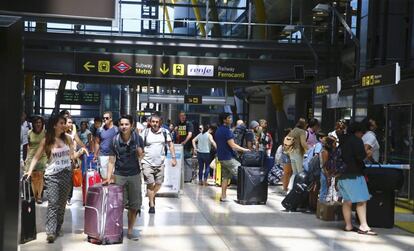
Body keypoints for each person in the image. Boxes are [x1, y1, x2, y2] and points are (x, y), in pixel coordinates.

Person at [25, 115, 88, 243]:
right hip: (52, 175)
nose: (65, 125)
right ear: (54, 125)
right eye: (62, 123)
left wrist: (80, 152)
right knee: (53, 203)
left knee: (62, 204)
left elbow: (72, 156)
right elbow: (36, 157)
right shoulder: (46, 140)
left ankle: (58, 227)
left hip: (66, 174)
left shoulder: (69, 139)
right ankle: (50, 231)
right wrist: (29, 171)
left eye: (65, 123)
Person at [105, 115, 144, 240]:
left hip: (134, 175)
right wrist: (108, 177)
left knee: (134, 205)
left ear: (131, 125)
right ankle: (118, 229)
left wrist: (140, 152)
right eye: (121, 124)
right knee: (118, 205)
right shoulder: (114, 140)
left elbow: (141, 156)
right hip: (119, 175)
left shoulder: (138, 138)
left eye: (126, 124)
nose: (124, 127)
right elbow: (111, 160)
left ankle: (130, 230)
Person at [337, 122, 376, 235]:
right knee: (362, 200)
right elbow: (360, 157)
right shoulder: (356, 140)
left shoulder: (343, 140)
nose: (362, 135)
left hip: (342, 176)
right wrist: (368, 154)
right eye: (362, 133)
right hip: (354, 175)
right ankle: (364, 226)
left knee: (347, 201)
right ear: (358, 132)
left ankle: (348, 225)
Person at [141, 114, 176, 214]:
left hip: (160, 163)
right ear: (150, 122)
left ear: (160, 122)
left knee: (158, 184)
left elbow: (170, 145)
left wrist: (173, 157)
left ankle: (152, 195)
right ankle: (152, 205)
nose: (155, 124)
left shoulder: (165, 132)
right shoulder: (145, 132)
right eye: (153, 122)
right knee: (150, 184)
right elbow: (139, 145)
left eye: (157, 122)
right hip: (146, 162)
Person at [215, 112, 250, 202]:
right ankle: (245, 197)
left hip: (222, 157)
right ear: (224, 120)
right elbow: (233, 145)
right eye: (229, 118)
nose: (231, 119)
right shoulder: (227, 131)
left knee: (225, 177)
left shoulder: (218, 130)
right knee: (242, 174)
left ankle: (223, 196)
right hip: (228, 158)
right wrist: (245, 149)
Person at [24, 116, 47, 204]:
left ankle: (39, 196)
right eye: (36, 122)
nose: (38, 124)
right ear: (33, 124)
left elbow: (48, 146)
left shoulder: (45, 133)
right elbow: (28, 146)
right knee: (33, 178)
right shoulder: (29, 132)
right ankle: (35, 195)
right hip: (32, 156)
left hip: (42, 156)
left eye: (39, 122)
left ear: (42, 124)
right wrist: (27, 157)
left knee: (40, 175)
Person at [65, 117, 86, 205]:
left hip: (72, 157)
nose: (70, 124)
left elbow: (79, 142)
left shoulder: (73, 133)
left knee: (69, 178)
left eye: (71, 122)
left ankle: (68, 197)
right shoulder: (60, 133)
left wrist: (84, 148)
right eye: (68, 122)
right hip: (61, 157)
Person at [94, 111, 118, 180]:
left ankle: (112, 190)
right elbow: (97, 142)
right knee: (104, 176)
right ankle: (106, 190)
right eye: (103, 118)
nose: (105, 119)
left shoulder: (116, 130)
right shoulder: (100, 130)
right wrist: (95, 154)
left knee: (113, 175)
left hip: (114, 155)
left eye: (107, 118)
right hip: (103, 155)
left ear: (111, 118)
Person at [287, 118, 308, 190]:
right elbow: (303, 143)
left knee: (295, 172)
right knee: (300, 172)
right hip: (298, 152)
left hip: (291, 152)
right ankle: (298, 190)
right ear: (304, 124)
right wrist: (310, 149)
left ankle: (291, 189)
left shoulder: (293, 130)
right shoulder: (302, 131)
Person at [175, 112, 194, 181]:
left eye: (183, 116)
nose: (182, 117)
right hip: (178, 147)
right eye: (181, 116)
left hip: (187, 147)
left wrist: (184, 142)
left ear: (185, 116)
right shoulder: (178, 124)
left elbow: (190, 135)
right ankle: (180, 178)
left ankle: (187, 178)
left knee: (187, 162)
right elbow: (176, 131)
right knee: (179, 163)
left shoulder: (189, 124)